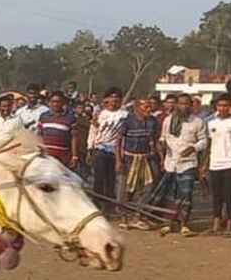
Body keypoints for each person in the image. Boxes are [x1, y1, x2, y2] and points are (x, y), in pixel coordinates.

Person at [200, 93, 231, 237]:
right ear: (216, 106)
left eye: (226, 105)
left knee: (229, 195)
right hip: (215, 163)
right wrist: (204, 164)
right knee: (217, 195)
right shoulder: (211, 123)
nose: (223, 108)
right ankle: (216, 223)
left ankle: (229, 224)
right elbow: (208, 144)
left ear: (230, 106)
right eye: (220, 105)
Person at [159, 93, 207, 236]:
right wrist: (161, 144)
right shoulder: (168, 120)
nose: (183, 106)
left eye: (186, 104)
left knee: (186, 194)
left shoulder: (198, 122)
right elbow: (163, 137)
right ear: (176, 105)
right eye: (181, 103)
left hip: (188, 163)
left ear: (191, 105)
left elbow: (204, 141)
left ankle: (184, 224)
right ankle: (168, 223)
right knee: (171, 194)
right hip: (170, 162)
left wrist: (193, 148)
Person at [116, 98, 160, 229]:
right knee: (124, 188)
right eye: (145, 107)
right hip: (129, 159)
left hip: (147, 158)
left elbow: (155, 140)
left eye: (149, 107)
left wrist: (161, 157)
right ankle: (123, 218)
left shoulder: (152, 121)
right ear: (137, 108)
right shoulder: (127, 121)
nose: (149, 109)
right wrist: (118, 160)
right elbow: (118, 142)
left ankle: (138, 216)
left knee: (149, 187)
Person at [88, 88, 128, 215]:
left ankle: (109, 207)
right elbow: (93, 131)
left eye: (117, 98)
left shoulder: (125, 115)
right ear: (106, 100)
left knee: (111, 180)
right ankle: (96, 206)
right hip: (100, 149)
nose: (114, 100)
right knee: (99, 179)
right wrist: (90, 148)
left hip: (115, 151)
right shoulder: (100, 114)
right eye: (111, 97)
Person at [36, 91, 78, 168]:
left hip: (63, 158)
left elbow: (74, 138)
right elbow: (39, 134)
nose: (55, 104)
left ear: (63, 103)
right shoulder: (43, 117)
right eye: (53, 101)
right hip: (46, 157)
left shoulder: (70, 118)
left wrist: (74, 156)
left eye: (58, 102)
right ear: (49, 103)